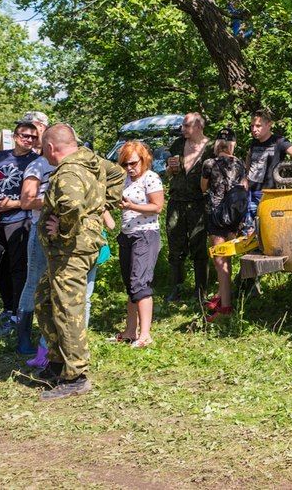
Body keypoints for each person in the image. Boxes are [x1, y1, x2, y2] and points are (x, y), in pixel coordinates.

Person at [34, 123, 107, 399]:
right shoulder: (92, 162)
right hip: (70, 250)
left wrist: (64, 229)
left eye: (43, 149)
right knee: (44, 299)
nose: (43, 154)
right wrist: (98, 211)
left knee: (67, 308)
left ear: (51, 147)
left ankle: (76, 375)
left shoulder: (69, 171)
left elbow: (72, 205)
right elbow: (116, 174)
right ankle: (57, 361)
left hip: (71, 250)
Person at [0, 121, 40, 337]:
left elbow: (36, 196)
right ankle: (7, 308)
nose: (29, 140)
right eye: (25, 136)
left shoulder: (36, 161)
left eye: (34, 137)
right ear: (15, 136)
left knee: (18, 269)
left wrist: (13, 204)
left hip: (20, 220)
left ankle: (17, 314)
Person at [115, 141, 163, 347]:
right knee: (130, 285)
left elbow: (157, 206)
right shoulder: (125, 179)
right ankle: (129, 331)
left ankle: (145, 336)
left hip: (146, 235)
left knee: (140, 284)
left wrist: (131, 206)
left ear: (144, 159)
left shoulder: (151, 178)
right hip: (127, 235)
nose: (129, 168)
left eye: (133, 163)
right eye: (125, 164)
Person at [243, 109, 292, 233]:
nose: (254, 129)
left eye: (258, 126)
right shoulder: (254, 142)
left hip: (268, 193)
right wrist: (245, 177)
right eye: (252, 126)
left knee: (267, 229)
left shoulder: (279, 141)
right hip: (251, 192)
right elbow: (249, 158)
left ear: (269, 125)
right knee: (249, 229)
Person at [201, 128, 246, 323]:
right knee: (230, 259)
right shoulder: (239, 163)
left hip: (217, 215)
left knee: (221, 262)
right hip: (235, 216)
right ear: (232, 145)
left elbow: (203, 187)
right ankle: (223, 296)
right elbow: (244, 186)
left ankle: (226, 307)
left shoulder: (209, 163)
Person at [165, 112, 210, 302]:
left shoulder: (211, 148)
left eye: (186, 126)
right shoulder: (177, 145)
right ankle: (177, 287)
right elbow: (167, 173)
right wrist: (170, 169)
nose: (182, 129)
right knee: (175, 247)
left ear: (198, 126)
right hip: (176, 201)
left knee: (199, 246)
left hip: (199, 203)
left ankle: (201, 290)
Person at [15, 112, 51, 353]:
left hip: (68, 229)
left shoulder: (67, 159)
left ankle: (50, 337)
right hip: (40, 227)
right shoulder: (36, 164)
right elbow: (27, 201)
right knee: (34, 281)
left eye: (40, 126)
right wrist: (55, 200)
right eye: (31, 128)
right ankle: (23, 336)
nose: (36, 131)